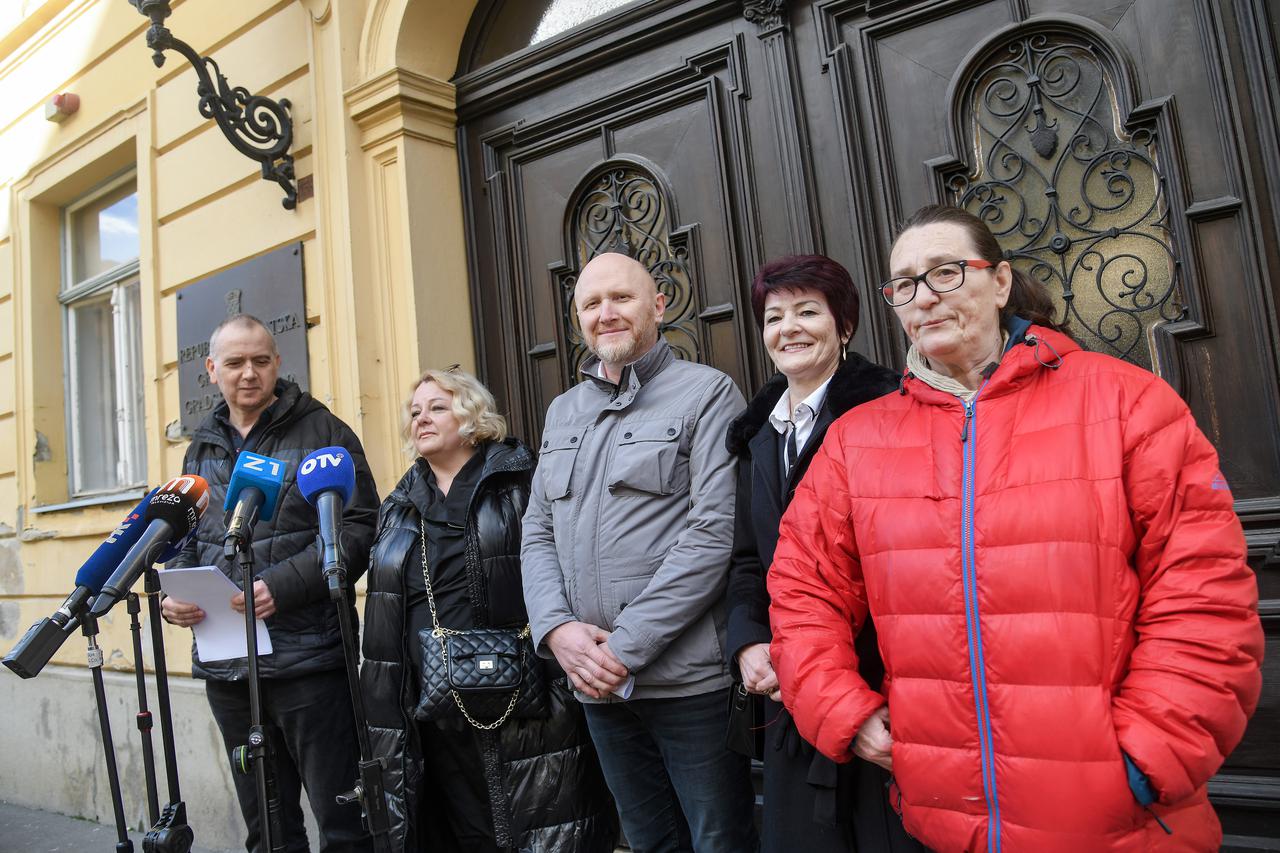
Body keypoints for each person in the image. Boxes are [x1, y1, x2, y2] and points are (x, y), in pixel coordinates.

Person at [767, 205, 1265, 852]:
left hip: (1119, 822)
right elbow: (802, 589)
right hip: (945, 820)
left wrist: (1144, 762)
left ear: (1000, 282)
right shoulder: (857, 441)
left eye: (946, 272)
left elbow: (1208, 595)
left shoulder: (1126, 402)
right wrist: (844, 713)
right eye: (905, 284)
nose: (925, 297)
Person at [521, 252, 757, 853]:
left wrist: (624, 649)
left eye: (622, 298)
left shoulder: (706, 393)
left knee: (719, 842)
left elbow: (713, 534)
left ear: (658, 306)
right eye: (591, 304)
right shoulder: (563, 411)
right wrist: (555, 631)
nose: (606, 314)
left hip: (686, 684)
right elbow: (537, 532)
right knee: (650, 842)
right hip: (596, 685)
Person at [360, 367, 618, 853]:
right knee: (456, 828)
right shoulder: (398, 503)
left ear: (472, 416)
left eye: (438, 407)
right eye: (415, 411)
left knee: (534, 824)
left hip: (523, 694)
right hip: (431, 703)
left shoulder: (518, 482)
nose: (422, 419)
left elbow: (560, 568)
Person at [161, 313, 379, 853]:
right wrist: (175, 595)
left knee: (345, 823)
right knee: (267, 828)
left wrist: (281, 586)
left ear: (278, 363)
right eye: (234, 363)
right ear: (212, 370)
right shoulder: (201, 447)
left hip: (309, 661)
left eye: (260, 360)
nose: (249, 373)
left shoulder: (324, 432)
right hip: (229, 668)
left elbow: (357, 528)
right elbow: (189, 535)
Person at [724, 254, 921, 853]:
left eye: (808, 311)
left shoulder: (890, 412)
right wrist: (750, 640)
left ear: (845, 326)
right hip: (791, 696)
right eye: (775, 316)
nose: (790, 328)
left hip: (881, 689)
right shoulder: (758, 436)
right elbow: (748, 559)